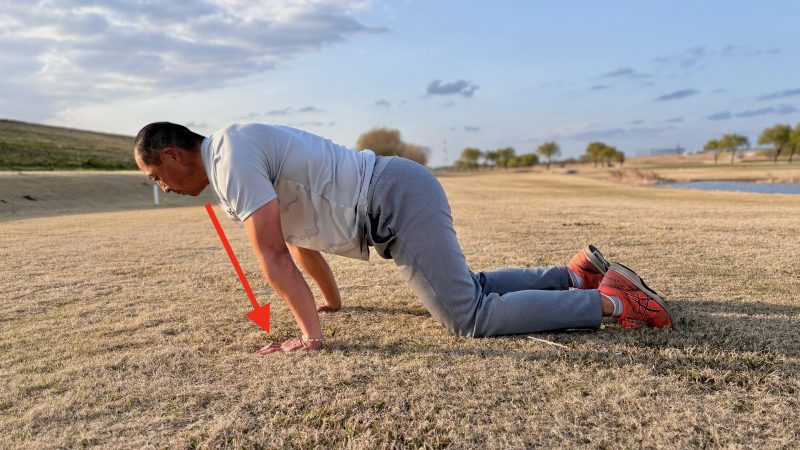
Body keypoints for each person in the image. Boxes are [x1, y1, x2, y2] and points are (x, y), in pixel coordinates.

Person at [134, 122, 673, 356]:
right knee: (467, 289)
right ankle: (575, 274)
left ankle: (609, 301)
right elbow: (298, 239)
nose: (163, 187)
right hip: (394, 194)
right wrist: (329, 303)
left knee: (469, 316)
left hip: (392, 198)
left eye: (157, 176)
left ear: (174, 155)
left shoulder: (228, 160)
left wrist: (310, 337)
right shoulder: (234, 158)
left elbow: (272, 254)